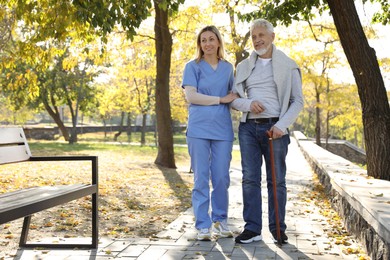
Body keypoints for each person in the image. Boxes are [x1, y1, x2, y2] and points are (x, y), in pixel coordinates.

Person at [231, 18, 304, 244]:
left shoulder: (289, 65)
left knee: (277, 181)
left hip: (275, 130)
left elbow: (297, 101)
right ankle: (252, 229)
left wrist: (281, 126)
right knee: (250, 179)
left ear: (272, 37)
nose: (257, 40)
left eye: (261, 35)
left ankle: (278, 230)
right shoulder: (243, 67)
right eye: (253, 36)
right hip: (249, 129)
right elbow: (234, 99)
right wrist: (249, 103)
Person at [181, 25, 239, 241]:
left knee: (222, 177)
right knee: (201, 178)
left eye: (211, 39)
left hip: (223, 130)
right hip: (198, 129)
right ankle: (203, 226)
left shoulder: (228, 68)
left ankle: (221, 222)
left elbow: (235, 97)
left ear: (218, 42)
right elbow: (192, 97)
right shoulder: (192, 66)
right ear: (199, 44)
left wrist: (254, 104)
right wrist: (219, 99)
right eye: (203, 40)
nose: (207, 44)